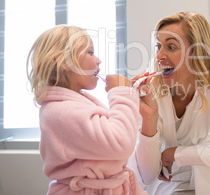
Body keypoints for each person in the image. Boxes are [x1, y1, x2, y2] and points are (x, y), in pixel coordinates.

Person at [129, 12, 210, 194]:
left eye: (171, 47)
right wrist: (148, 118)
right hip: (161, 184)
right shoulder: (152, 86)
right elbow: (148, 175)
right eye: (158, 46)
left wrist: (174, 153)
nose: (159, 56)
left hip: (203, 179)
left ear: (197, 53)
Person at [26, 25, 147, 195]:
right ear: (65, 62)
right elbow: (121, 143)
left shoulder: (75, 104)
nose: (98, 60)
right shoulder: (62, 112)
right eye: (90, 52)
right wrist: (121, 93)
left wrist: (129, 92)